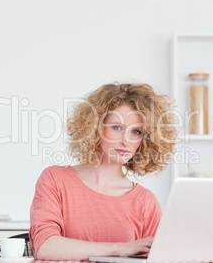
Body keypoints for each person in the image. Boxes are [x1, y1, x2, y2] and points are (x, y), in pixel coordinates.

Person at [29, 83, 177, 260]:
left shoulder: (145, 203)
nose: (126, 140)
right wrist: (118, 248)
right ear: (96, 128)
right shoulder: (55, 179)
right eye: (117, 127)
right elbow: (45, 246)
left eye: (136, 132)